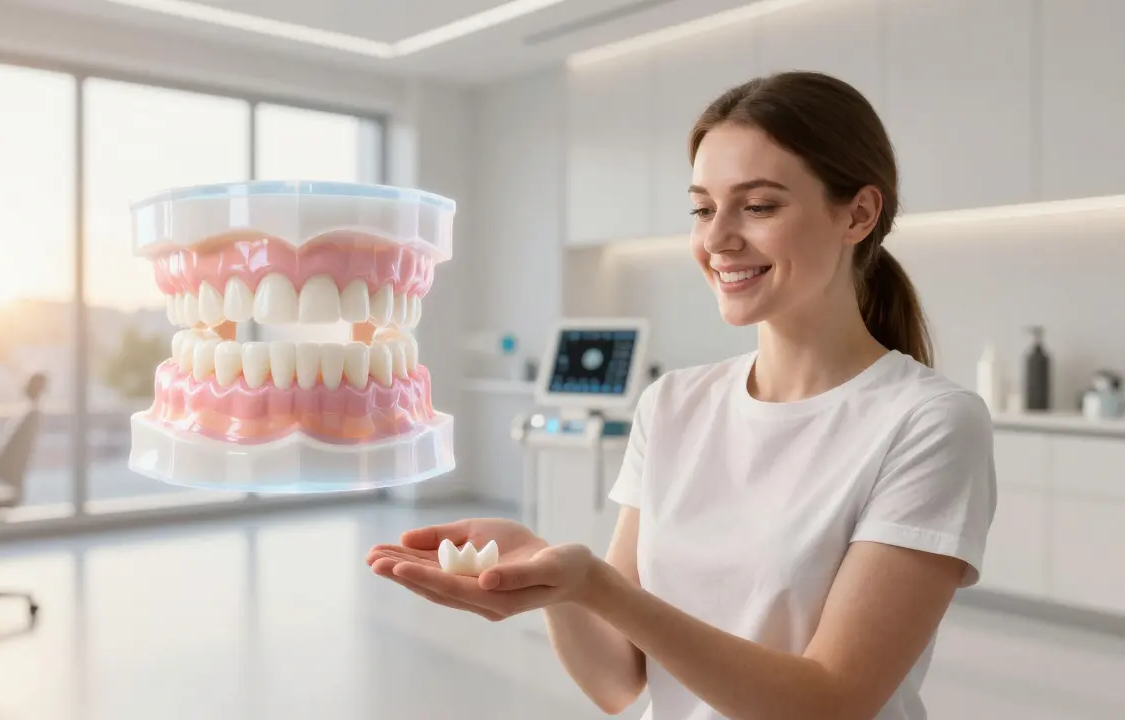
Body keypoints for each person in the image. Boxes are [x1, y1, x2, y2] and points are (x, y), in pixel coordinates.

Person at [366, 71, 996, 720]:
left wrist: (599, 588)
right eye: (702, 208)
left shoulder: (929, 423)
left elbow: (831, 702)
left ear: (858, 214)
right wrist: (551, 579)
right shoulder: (672, 403)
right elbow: (617, 680)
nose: (717, 238)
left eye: (758, 206)